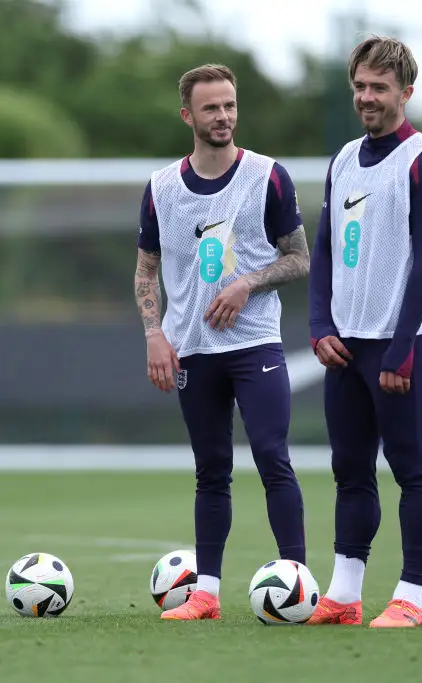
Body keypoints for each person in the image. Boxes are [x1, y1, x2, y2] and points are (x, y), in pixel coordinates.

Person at [133, 63, 311, 621]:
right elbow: (145, 270)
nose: (224, 116)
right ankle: (205, 595)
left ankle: (298, 585)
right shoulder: (162, 188)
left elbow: (300, 257)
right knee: (210, 469)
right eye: (211, 107)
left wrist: (247, 283)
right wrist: (154, 335)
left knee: (271, 457)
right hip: (192, 349)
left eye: (230, 105)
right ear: (188, 115)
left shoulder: (268, 177)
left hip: (255, 344)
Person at [306, 35, 422, 628]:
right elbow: (322, 250)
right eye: (360, 87)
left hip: (404, 346)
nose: (367, 98)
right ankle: (344, 596)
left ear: (406, 93)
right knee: (350, 469)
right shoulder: (343, 159)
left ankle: (411, 598)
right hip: (344, 345)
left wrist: (400, 350)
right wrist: (319, 326)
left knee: (411, 467)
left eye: (379, 88)